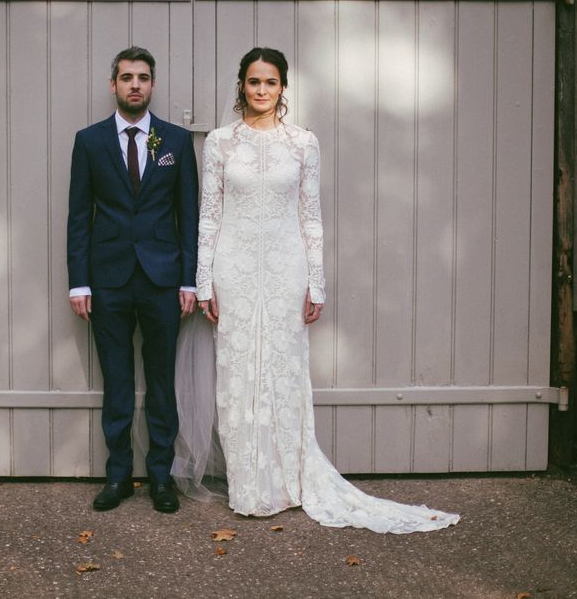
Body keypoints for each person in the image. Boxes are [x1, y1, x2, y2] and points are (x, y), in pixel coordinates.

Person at [180, 46, 459, 532]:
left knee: (284, 373)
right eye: (253, 82)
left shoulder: (303, 144)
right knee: (239, 375)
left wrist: (317, 283)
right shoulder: (221, 143)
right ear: (241, 86)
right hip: (235, 269)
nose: (261, 91)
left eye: (270, 82)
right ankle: (250, 485)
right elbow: (209, 217)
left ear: (283, 87)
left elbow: (310, 218)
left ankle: (289, 481)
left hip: (287, 270)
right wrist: (204, 282)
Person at [67, 46, 199, 513]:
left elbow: (190, 217)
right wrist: (79, 282)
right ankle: (118, 476)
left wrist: (189, 281)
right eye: (127, 77)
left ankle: (162, 477)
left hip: (163, 281)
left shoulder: (177, 142)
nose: (135, 85)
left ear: (153, 85)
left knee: (161, 381)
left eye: (143, 77)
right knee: (117, 381)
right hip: (108, 281)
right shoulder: (89, 141)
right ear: (113, 85)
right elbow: (79, 217)